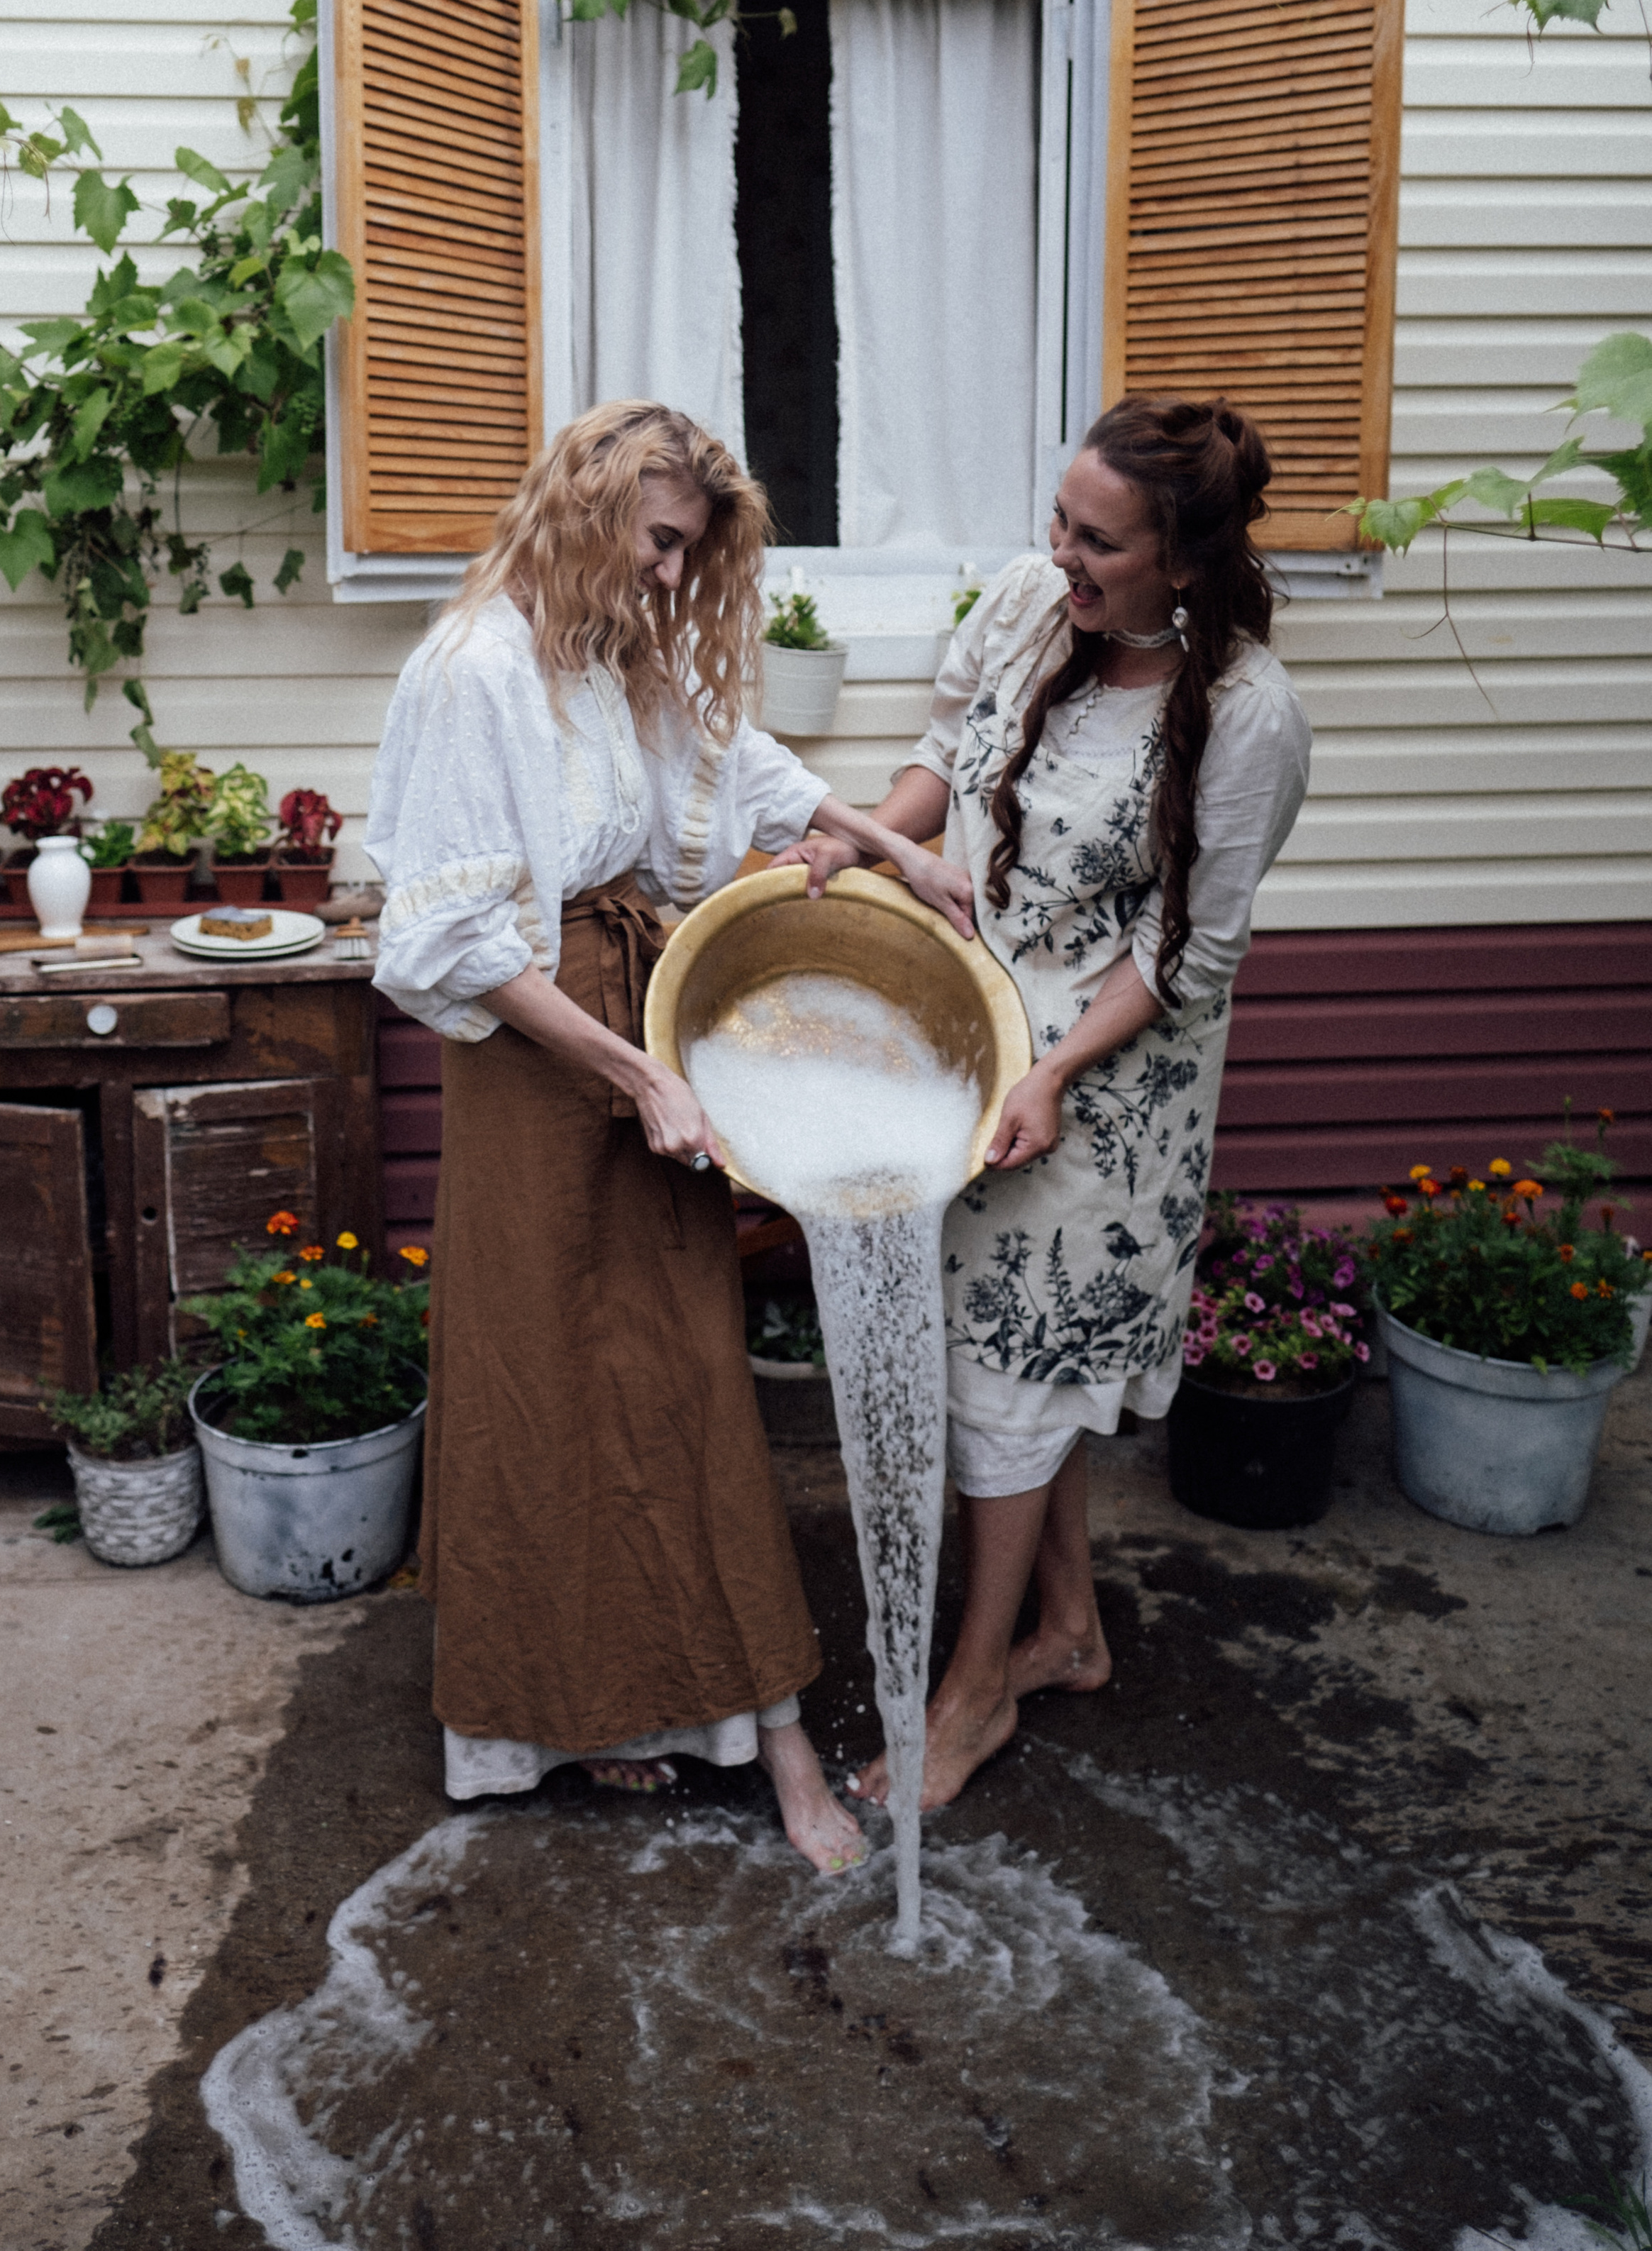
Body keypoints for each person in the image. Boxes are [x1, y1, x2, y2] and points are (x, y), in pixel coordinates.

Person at [366, 399, 968, 1871]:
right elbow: (454, 940)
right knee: (546, 1383)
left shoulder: (610, 653)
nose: (671, 576)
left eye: (689, 552)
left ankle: (762, 1735)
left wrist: (894, 848)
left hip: (640, 1024)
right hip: (539, 1055)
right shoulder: (472, 669)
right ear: (583, 511)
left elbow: (745, 768)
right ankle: (567, 1714)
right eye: (658, 542)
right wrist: (632, 1076)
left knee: (685, 1372)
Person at [777, 395, 1312, 1811]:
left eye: (1098, 543)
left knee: (1014, 1375)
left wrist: (1054, 1072)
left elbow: (1186, 951)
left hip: (1101, 1098)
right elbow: (946, 749)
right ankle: (1067, 1631)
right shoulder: (1030, 603)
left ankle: (970, 1698)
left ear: (1182, 561)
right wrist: (872, 843)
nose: (1060, 556)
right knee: (1009, 1366)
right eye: (1059, 522)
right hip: (971, 1048)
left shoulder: (1248, 714)